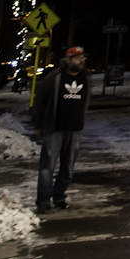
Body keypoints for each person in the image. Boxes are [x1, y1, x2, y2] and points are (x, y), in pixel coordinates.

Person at [32, 46, 90, 212]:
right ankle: (43, 201)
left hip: (75, 129)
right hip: (54, 128)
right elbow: (40, 100)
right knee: (47, 166)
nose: (82, 61)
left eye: (83, 58)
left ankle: (59, 196)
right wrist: (38, 124)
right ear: (68, 60)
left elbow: (85, 101)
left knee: (68, 167)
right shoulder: (55, 77)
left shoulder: (86, 78)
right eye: (78, 58)